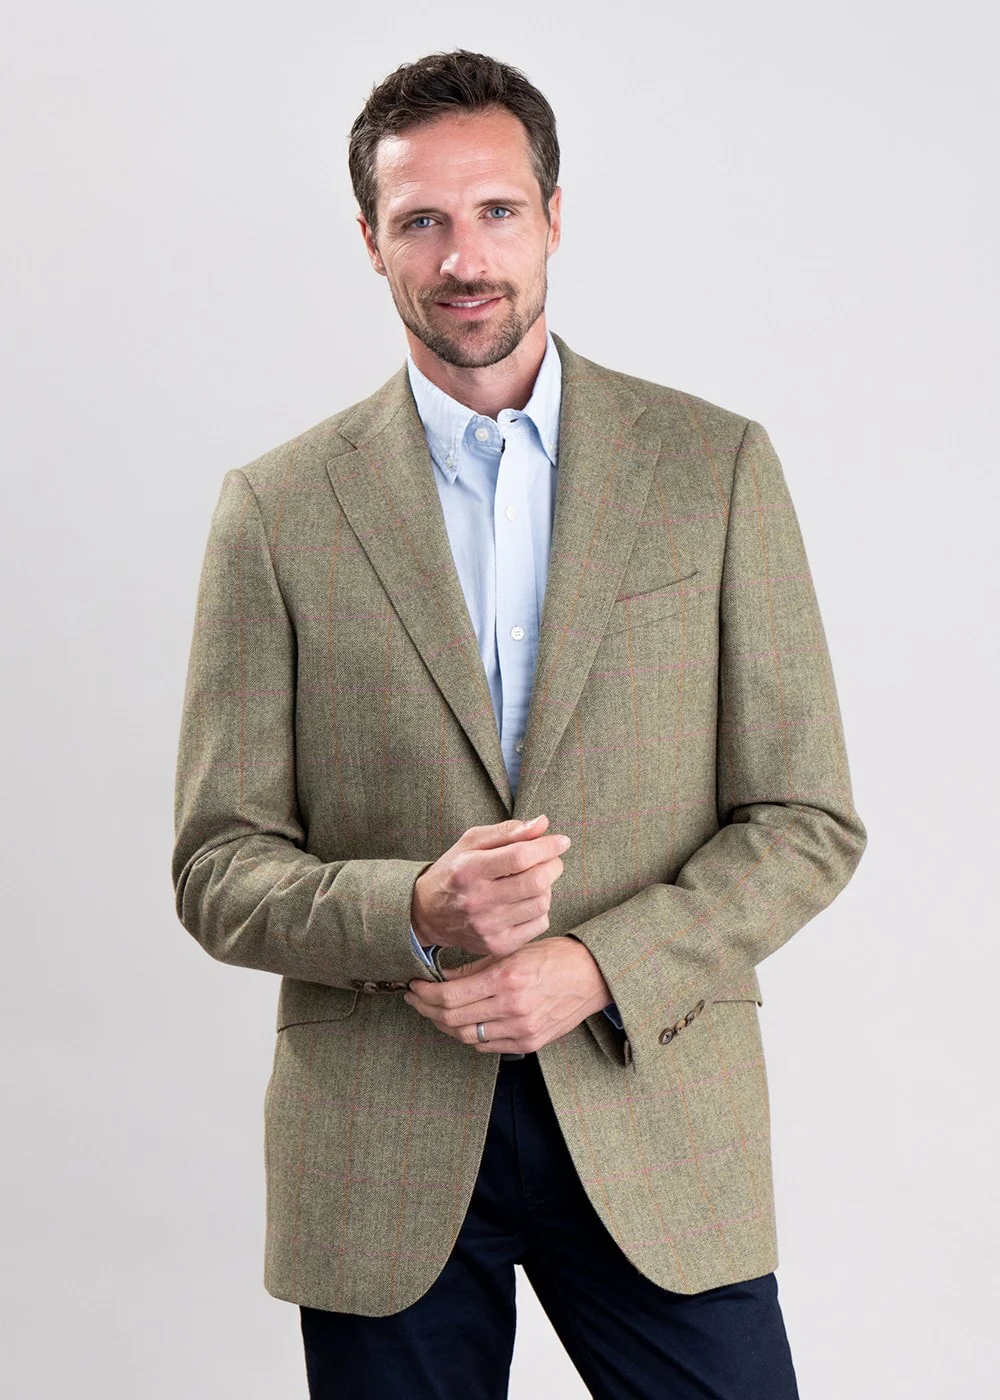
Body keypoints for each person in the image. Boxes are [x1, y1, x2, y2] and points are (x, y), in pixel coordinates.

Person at [172, 48, 866, 1400]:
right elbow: (217, 865)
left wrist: (597, 966)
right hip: (381, 1140)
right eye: (421, 219)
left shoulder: (713, 467)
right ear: (370, 241)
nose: (463, 257)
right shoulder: (278, 510)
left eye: (496, 211)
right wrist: (414, 911)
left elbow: (805, 819)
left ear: (554, 216)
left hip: (655, 1103)